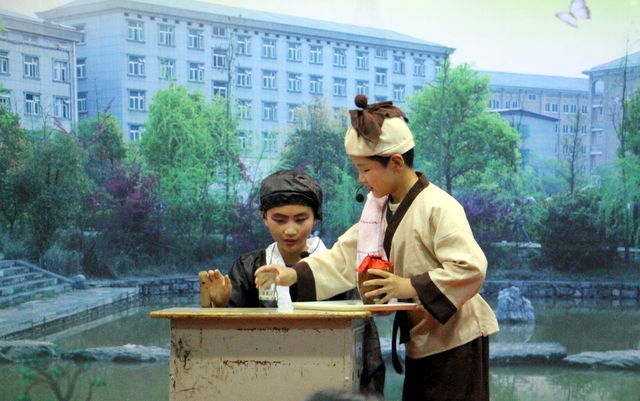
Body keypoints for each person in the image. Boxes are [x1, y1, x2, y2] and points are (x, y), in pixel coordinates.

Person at [255, 95, 500, 401]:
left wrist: (406, 285)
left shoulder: (438, 206)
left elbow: (470, 267)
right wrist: (291, 275)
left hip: (457, 339)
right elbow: (345, 256)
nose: (361, 179)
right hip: (424, 337)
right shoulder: (380, 209)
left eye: (365, 169)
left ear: (396, 163)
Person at [200, 169, 385, 394]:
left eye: (301, 219)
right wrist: (220, 307)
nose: (290, 230)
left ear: (316, 217)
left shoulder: (338, 270)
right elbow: (230, 344)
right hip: (262, 383)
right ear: (264, 217)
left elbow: (365, 344)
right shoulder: (250, 267)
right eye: (279, 220)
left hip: (328, 382)